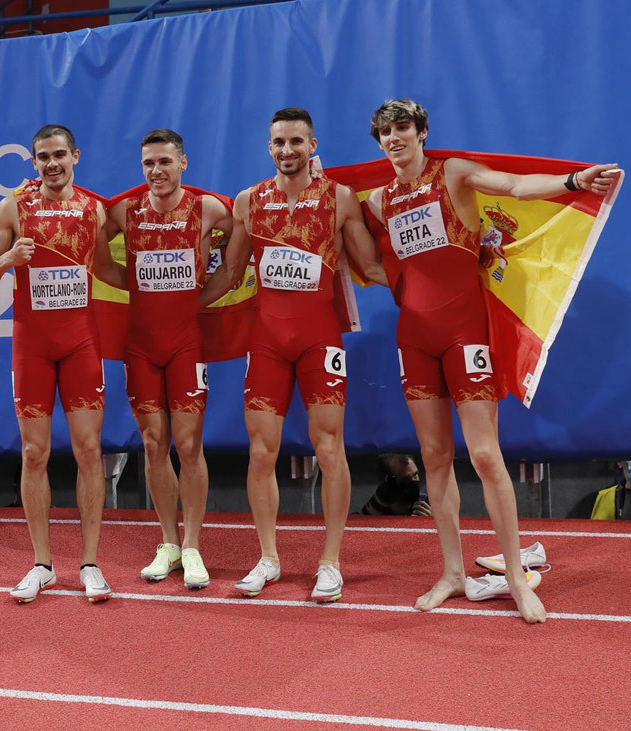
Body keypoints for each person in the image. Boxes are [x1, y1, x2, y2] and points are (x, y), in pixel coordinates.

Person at [361, 98, 622, 623]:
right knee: (433, 458)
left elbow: (513, 186)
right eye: (385, 131)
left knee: (484, 455)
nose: (394, 137)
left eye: (403, 127)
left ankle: (517, 578)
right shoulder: (376, 200)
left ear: (422, 132)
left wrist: (574, 181)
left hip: (464, 335)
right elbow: (358, 247)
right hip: (413, 339)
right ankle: (453, 574)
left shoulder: (452, 173)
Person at [201, 107, 384, 602]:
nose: (288, 151)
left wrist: (447, 270)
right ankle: (268, 559)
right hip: (266, 344)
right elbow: (230, 273)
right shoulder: (248, 201)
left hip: (319, 341)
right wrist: (184, 310)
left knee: (329, 448)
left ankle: (330, 562)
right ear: (268, 147)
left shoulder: (340, 199)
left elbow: (372, 264)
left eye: (296, 142)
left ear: (313, 145)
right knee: (261, 452)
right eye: (279, 142)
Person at [0, 124, 124, 604]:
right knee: (34, 454)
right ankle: (41, 564)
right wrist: (8, 260)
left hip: (81, 344)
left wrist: (163, 274)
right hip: (32, 346)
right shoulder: (13, 208)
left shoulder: (93, 210)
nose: (52, 163)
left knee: (88, 450)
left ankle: (90, 564)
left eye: (60, 154)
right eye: (43, 156)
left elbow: (105, 268)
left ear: (75, 156)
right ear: (33, 162)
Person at [103, 129, 232, 590]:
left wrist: (209, 291)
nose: (156, 171)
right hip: (140, 346)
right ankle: (169, 543)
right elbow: (97, 258)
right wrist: (135, 285)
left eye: (164, 162)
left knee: (189, 444)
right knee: (153, 444)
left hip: (185, 344)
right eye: (148, 164)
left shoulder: (209, 209)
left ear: (183, 163)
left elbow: (241, 251)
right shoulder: (124, 210)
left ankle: (194, 546)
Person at [361, 454, 431, 516]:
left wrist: (431, 522)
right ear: (389, 482)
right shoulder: (377, 507)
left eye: (415, 474)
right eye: (406, 479)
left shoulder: (428, 505)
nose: (414, 481)